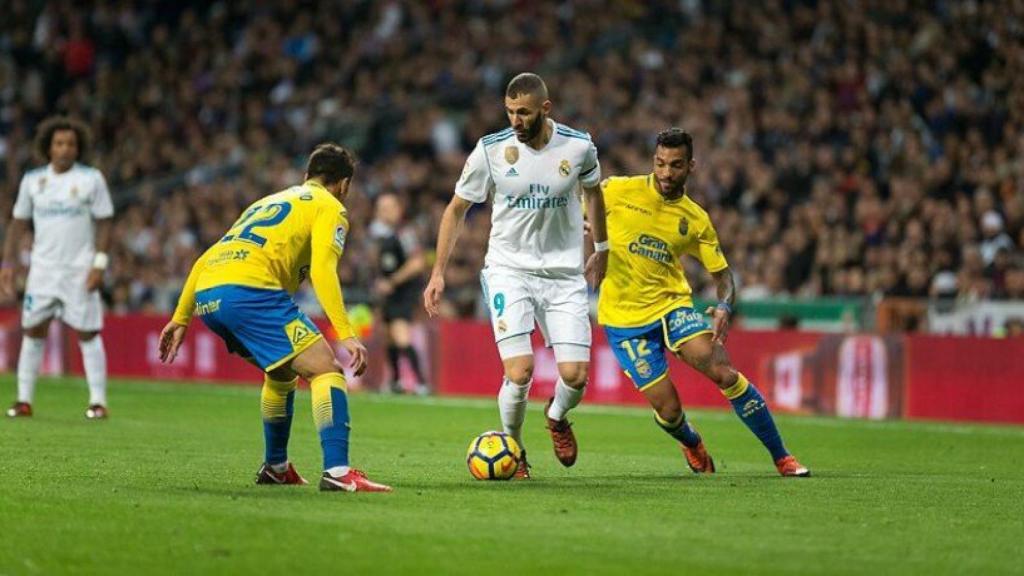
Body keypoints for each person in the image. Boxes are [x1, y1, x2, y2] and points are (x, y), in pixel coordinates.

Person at [157, 143, 391, 493]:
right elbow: (323, 271)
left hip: (210, 296)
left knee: (281, 371)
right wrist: (346, 333)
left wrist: (181, 317)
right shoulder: (331, 207)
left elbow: (206, 257)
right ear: (343, 184)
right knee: (325, 369)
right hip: (250, 291)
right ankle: (338, 471)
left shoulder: (266, 202)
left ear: (307, 176)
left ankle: (277, 467)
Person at [423, 73, 609, 478]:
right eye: (509, 112)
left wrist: (602, 248)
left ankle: (557, 416)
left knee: (575, 376)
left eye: (523, 112)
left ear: (545, 109)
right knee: (519, 371)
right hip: (509, 270)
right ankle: (516, 450)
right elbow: (455, 210)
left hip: (563, 275)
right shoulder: (491, 150)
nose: (515, 120)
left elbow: (594, 193)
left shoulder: (579, 147)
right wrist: (438, 273)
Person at [597, 128, 810, 477]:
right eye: (661, 163)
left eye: (676, 165)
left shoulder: (695, 219)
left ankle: (782, 457)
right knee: (668, 411)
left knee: (724, 371)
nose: (666, 173)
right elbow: (578, 201)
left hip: (671, 307)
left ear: (691, 167)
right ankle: (692, 441)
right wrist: (589, 225)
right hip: (623, 320)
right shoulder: (619, 189)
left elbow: (723, 277)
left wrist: (725, 305)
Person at [1, 116, 113, 419]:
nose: (65, 149)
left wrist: (99, 264)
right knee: (33, 330)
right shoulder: (33, 181)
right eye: (59, 144)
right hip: (43, 271)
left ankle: (98, 402)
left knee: (88, 332)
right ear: (48, 148)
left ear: (78, 149)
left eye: (71, 144)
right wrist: (8, 262)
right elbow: (18, 224)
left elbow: (105, 222)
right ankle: (24, 400)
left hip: (80, 268)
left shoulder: (91, 179)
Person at [369, 192, 429, 395]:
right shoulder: (383, 236)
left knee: (401, 335)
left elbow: (417, 263)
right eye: (381, 208)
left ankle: (421, 383)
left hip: (403, 293)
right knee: (388, 337)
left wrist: (392, 281)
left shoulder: (405, 233)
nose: (384, 212)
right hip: (390, 294)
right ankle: (395, 381)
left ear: (398, 209)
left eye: (388, 208)